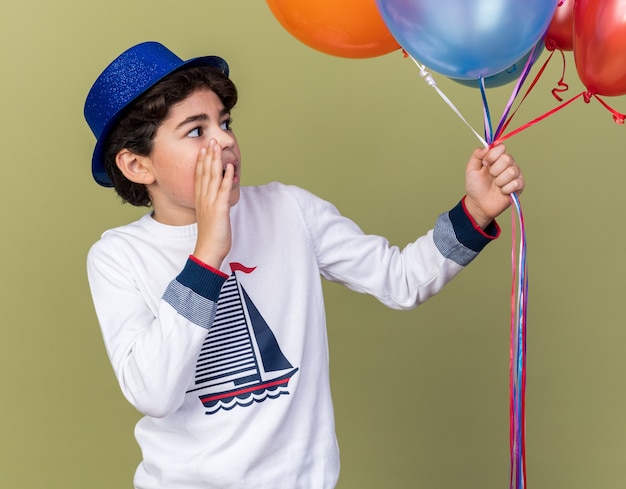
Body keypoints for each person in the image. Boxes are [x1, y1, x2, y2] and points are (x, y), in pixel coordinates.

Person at [83, 41, 524, 489]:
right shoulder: (118, 256)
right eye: (196, 131)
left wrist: (476, 211)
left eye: (225, 122)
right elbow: (153, 393)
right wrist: (207, 252)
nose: (225, 140)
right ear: (137, 165)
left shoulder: (289, 209)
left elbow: (401, 280)